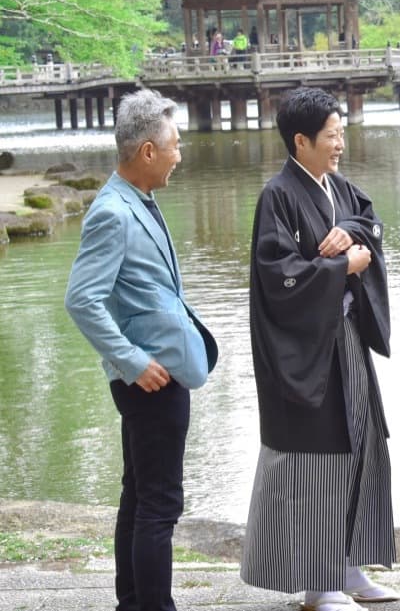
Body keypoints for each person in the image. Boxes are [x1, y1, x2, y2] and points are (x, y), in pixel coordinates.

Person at [241, 87, 399, 611]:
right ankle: (318, 583)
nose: (340, 143)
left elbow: (369, 222)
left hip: (347, 345)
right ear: (301, 140)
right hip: (306, 354)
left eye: (341, 133)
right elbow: (279, 278)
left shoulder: (338, 188)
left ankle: (349, 565)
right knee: (317, 464)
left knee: (360, 449)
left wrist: (350, 233)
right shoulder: (279, 196)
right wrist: (342, 267)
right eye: (332, 136)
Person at [65, 89, 219, 611]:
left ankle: (131, 603)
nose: (181, 154)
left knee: (138, 498)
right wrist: (131, 361)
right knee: (159, 506)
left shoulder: (138, 200)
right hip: (150, 378)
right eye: (174, 145)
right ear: (148, 151)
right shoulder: (112, 211)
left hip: (160, 372)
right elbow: (82, 299)